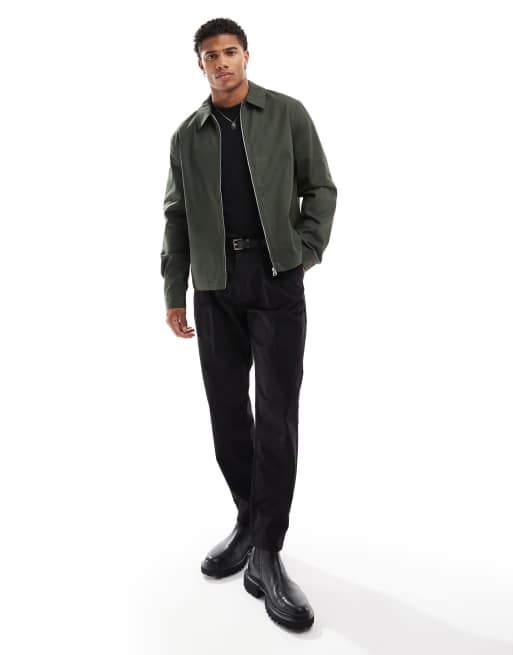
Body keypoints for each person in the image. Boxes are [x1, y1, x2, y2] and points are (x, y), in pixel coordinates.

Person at [161, 17, 337, 631]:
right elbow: (176, 215)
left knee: (277, 414)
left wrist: (304, 253)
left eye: (230, 51)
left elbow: (321, 188)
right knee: (227, 413)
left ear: (245, 55)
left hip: (275, 280)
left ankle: (268, 548)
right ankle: (247, 519)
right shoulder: (187, 136)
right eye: (210, 55)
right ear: (200, 64)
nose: (221, 62)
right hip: (214, 287)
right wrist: (174, 290)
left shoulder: (286, 114)